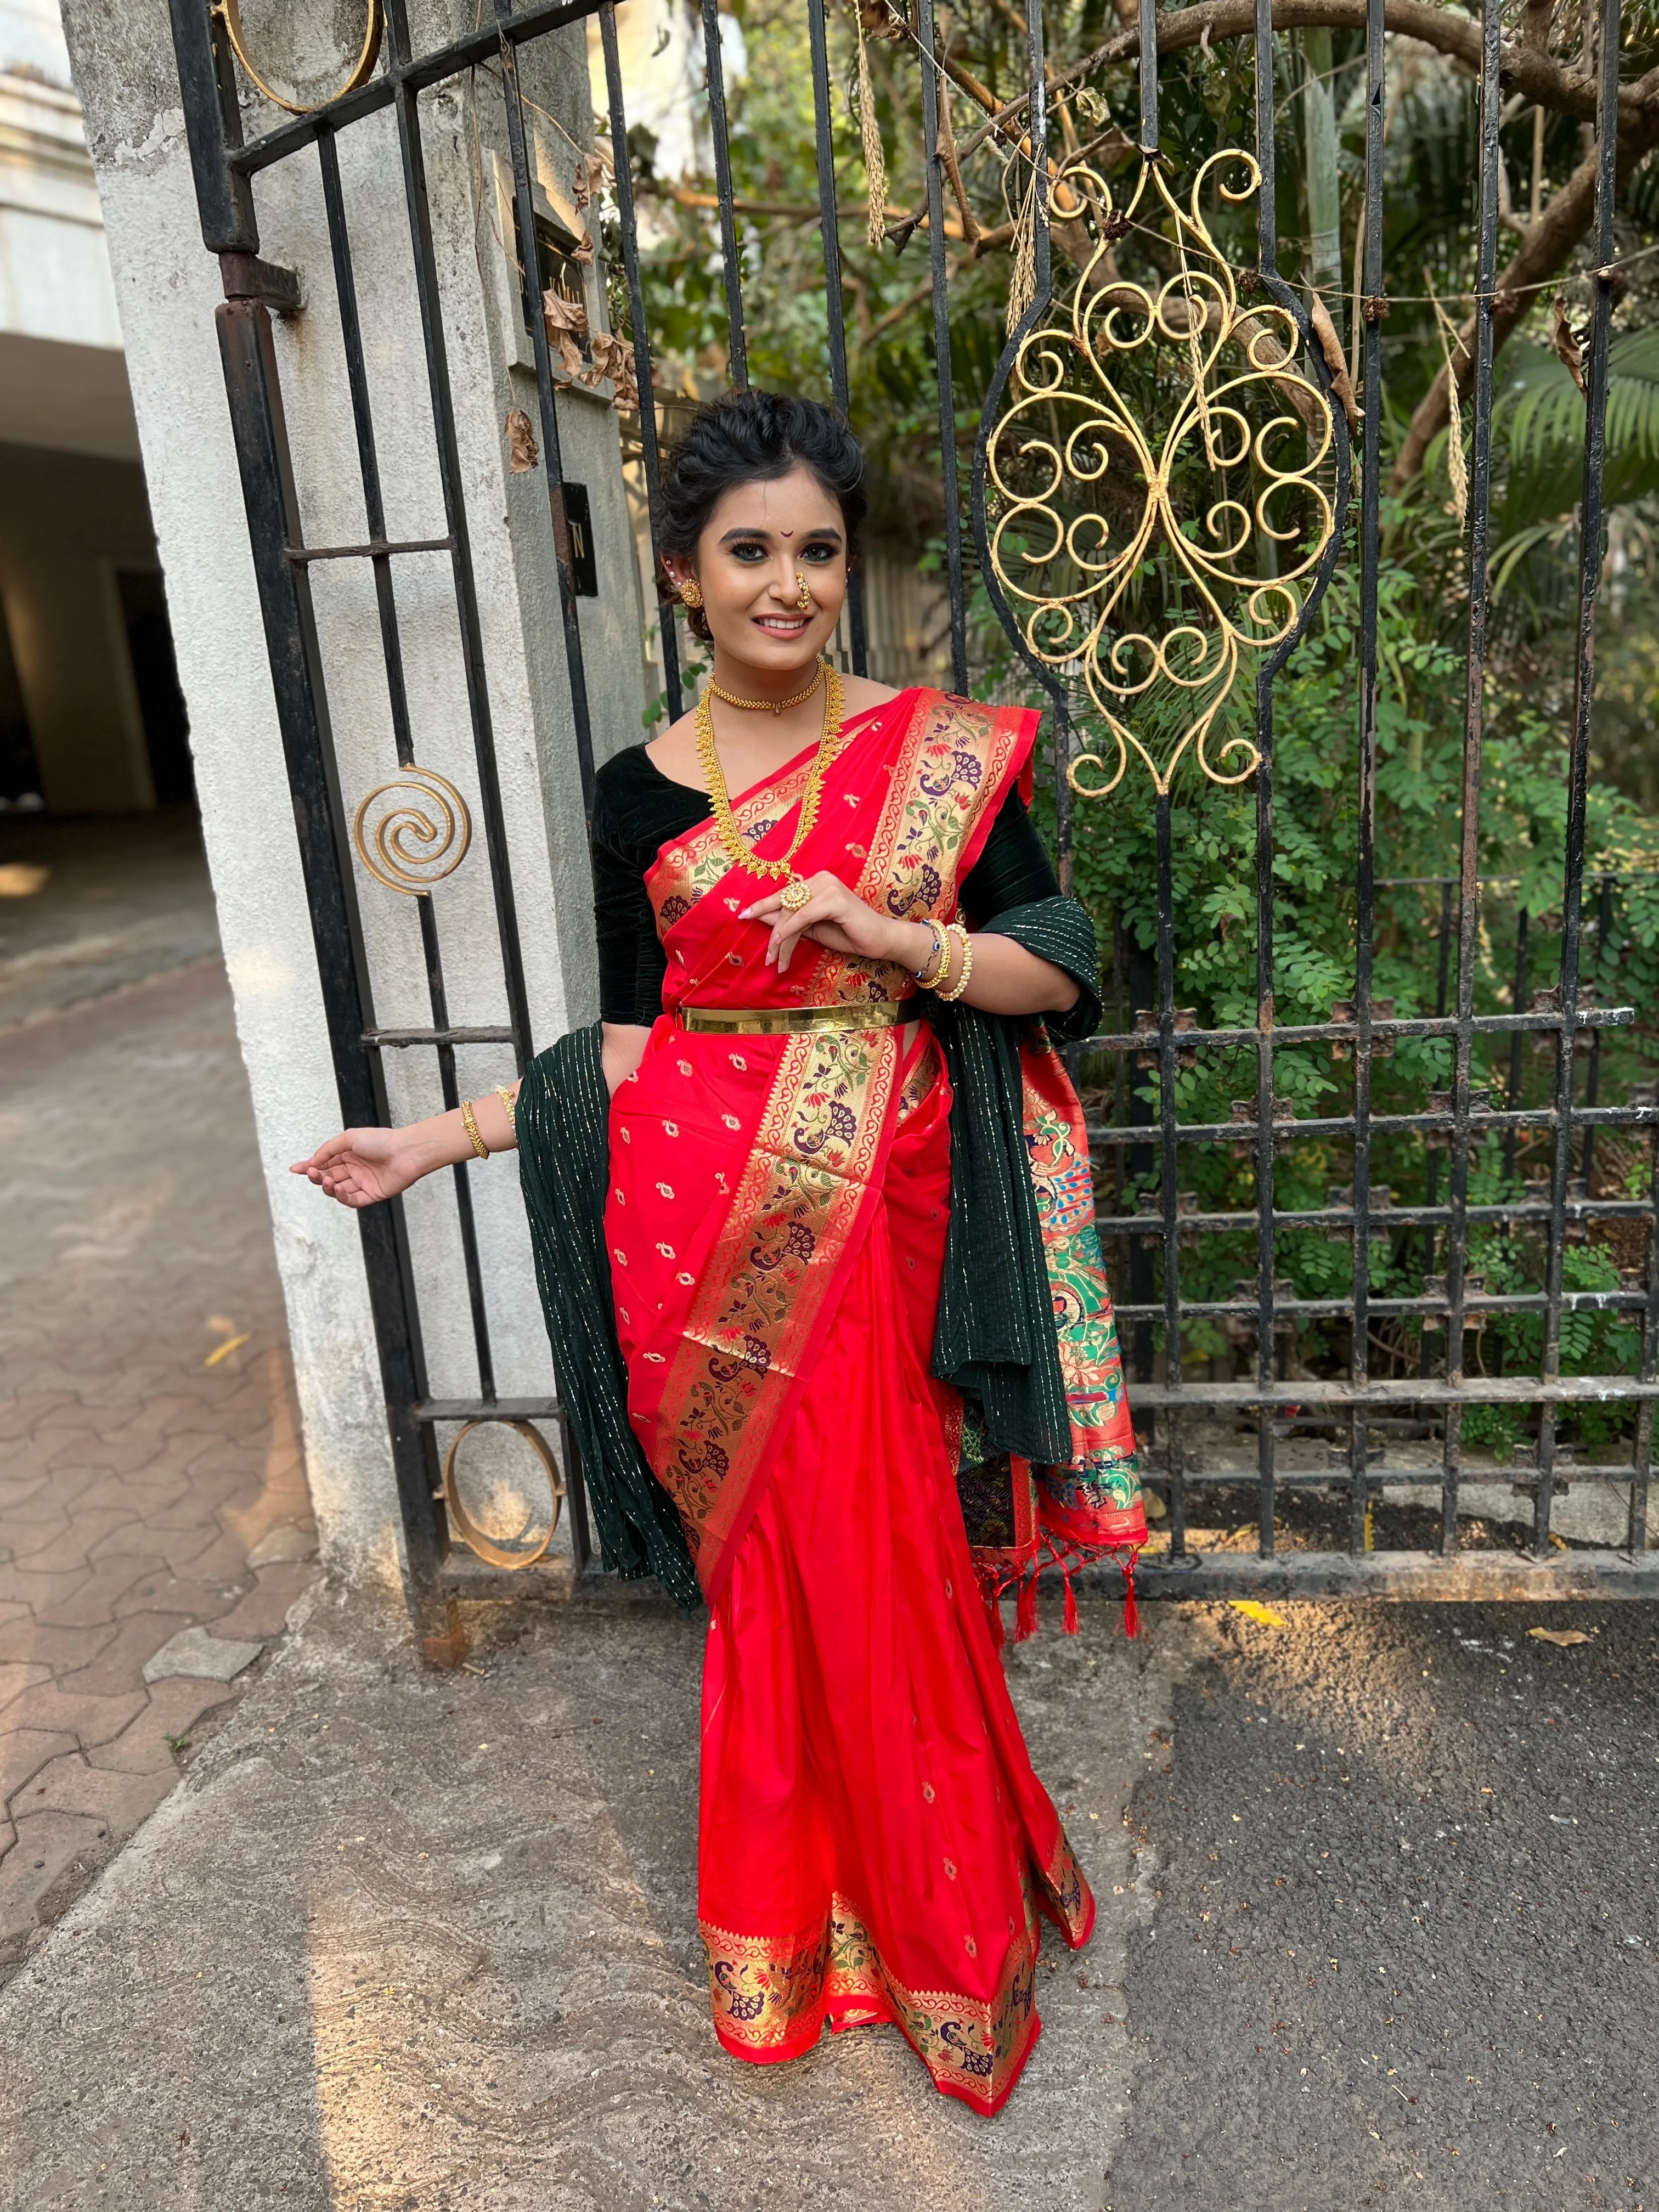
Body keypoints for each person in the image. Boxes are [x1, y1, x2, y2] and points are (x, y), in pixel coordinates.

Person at [292, 390, 1144, 2116]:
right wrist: (432, 1143)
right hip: (692, 1225)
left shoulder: (932, 753)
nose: (788, 585)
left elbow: (1063, 962)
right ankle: (797, 1940)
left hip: (875, 1209)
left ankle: (939, 1939)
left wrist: (893, 936)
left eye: (816, 551)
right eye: (749, 552)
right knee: (772, 1580)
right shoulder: (633, 794)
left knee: (887, 1549)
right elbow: (622, 1057)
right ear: (685, 573)